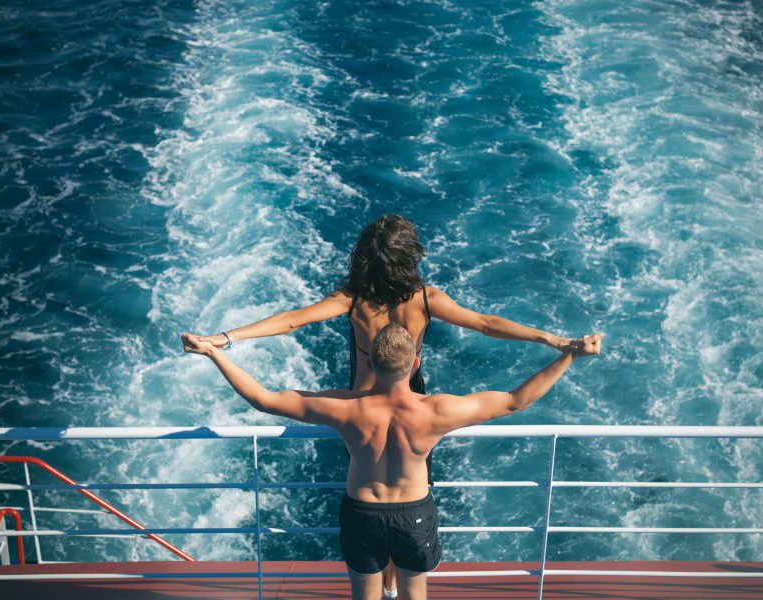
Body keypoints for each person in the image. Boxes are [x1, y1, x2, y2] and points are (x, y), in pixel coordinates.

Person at [190, 214, 576, 597]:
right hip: (412, 404)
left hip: (360, 409)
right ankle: (398, 575)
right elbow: (487, 326)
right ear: (409, 258)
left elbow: (292, 322)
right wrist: (553, 342)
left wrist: (223, 340)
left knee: (370, 477)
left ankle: (380, 576)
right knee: (409, 481)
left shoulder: (352, 299)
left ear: (363, 260)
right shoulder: (426, 298)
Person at [181, 326, 602, 600]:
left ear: (369, 363)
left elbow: (264, 399)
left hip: (361, 511)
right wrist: (570, 355)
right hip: (414, 511)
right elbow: (515, 401)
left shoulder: (344, 408)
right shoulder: (436, 411)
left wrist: (214, 353)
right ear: (415, 363)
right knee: (413, 596)